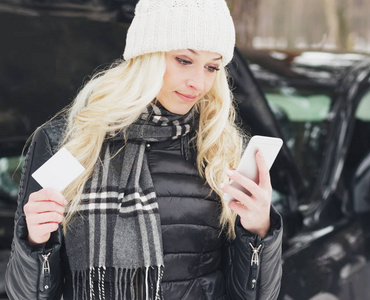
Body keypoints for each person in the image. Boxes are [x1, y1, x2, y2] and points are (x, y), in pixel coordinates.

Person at [5, 0, 283, 299]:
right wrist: (36, 241)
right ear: (146, 56)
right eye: (184, 60)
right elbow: (25, 295)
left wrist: (259, 232)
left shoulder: (218, 149)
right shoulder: (68, 143)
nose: (198, 82)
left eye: (212, 67)